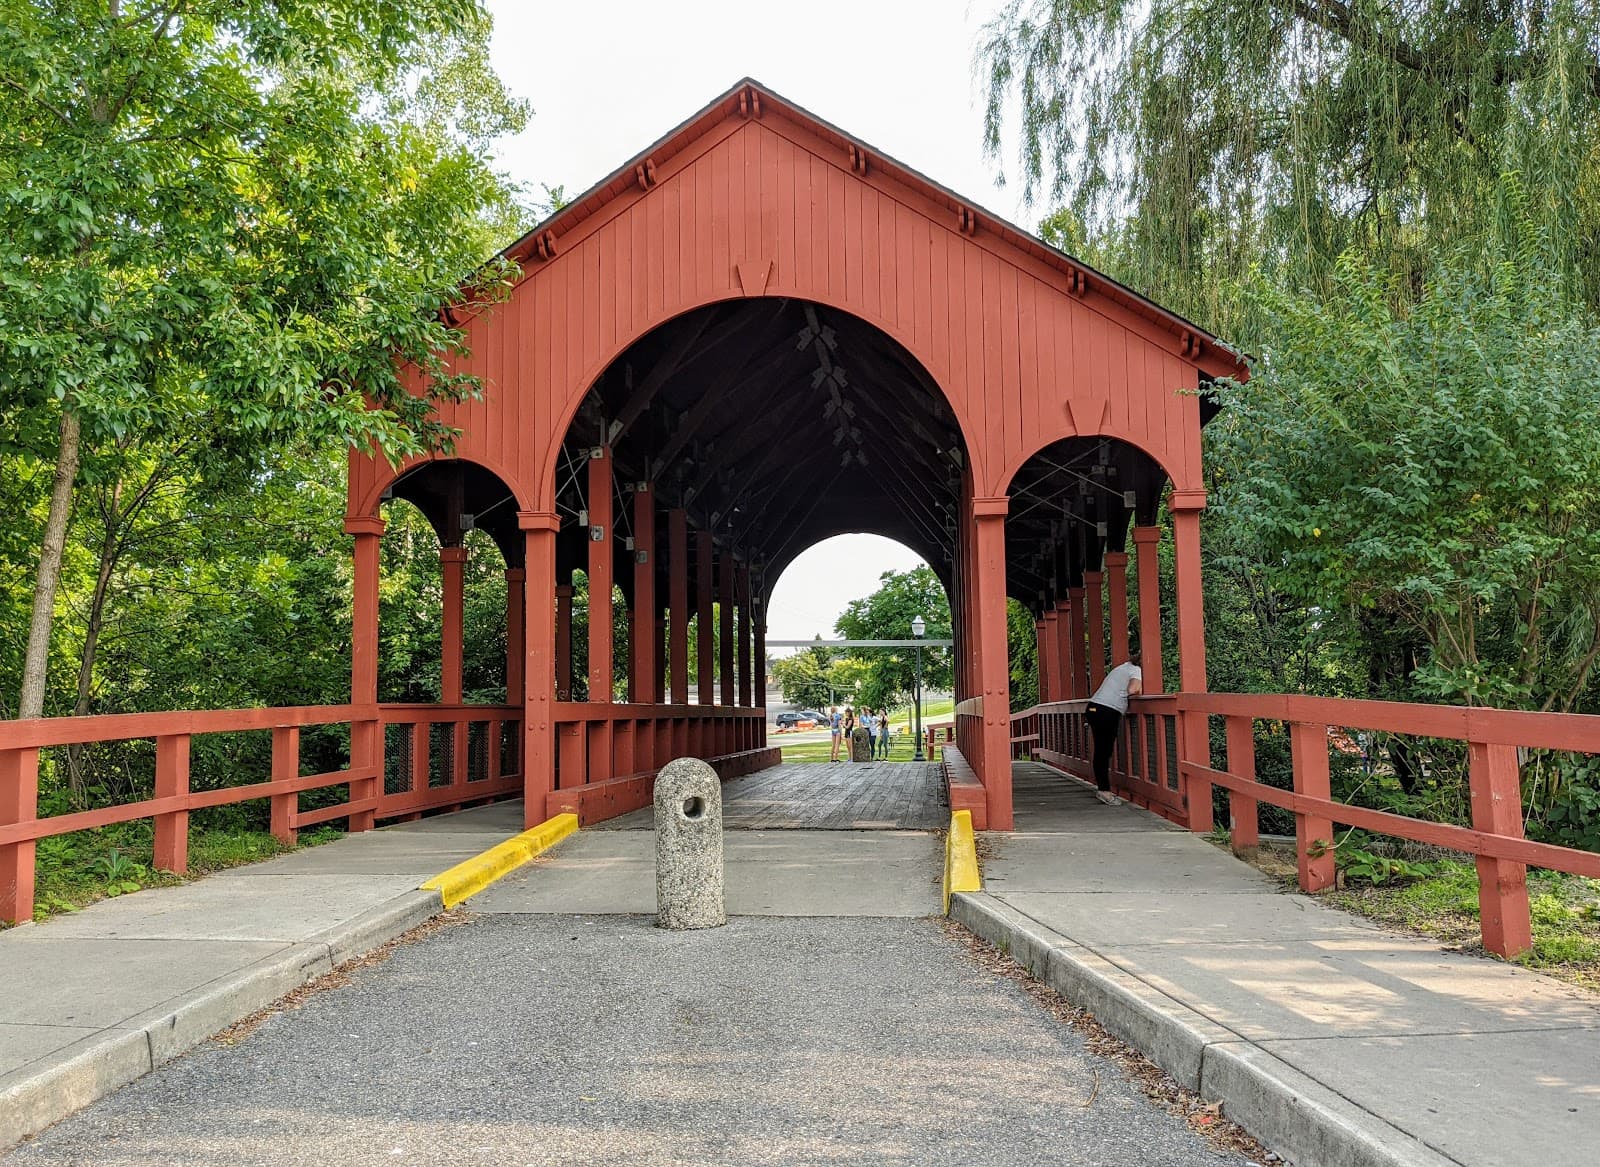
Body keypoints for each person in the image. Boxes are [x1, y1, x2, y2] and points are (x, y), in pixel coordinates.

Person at [1085, 650, 1142, 806]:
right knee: (1104, 751)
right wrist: (1140, 688)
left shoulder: (1123, 667)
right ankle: (1104, 790)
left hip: (1094, 707)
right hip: (1106, 710)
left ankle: (1103, 787)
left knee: (1101, 750)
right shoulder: (1136, 670)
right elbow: (1132, 689)